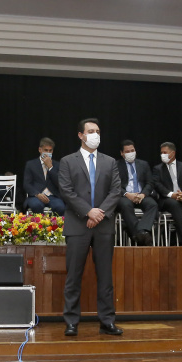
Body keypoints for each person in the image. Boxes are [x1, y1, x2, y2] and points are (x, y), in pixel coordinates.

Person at [58, 118, 122, 336]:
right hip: (78, 225)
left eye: (98, 131)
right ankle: (71, 322)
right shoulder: (67, 161)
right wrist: (88, 211)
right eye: (91, 131)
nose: (95, 134)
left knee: (105, 277)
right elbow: (66, 191)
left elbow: (115, 191)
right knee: (73, 276)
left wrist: (98, 213)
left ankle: (107, 321)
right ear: (80, 135)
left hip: (103, 225)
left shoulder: (110, 161)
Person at [116, 139, 157, 245]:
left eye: (132, 150)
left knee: (152, 204)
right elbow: (114, 185)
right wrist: (127, 194)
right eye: (127, 151)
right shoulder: (116, 165)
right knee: (125, 205)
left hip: (141, 194)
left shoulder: (144, 164)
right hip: (125, 196)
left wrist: (143, 194)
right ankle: (141, 234)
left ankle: (140, 232)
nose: (130, 153)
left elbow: (150, 183)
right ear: (122, 153)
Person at [23, 137, 66, 215]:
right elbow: (27, 184)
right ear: (40, 150)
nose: (48, 153)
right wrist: (37, 194)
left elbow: (60, 183)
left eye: (50, 150)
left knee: (60, 207)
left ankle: (56, 226)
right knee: (36, 205)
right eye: (46, 150)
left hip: (53, 196)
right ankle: (39, 226)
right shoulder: (31, 164)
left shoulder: (58, 165)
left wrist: (50, 167)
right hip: (36, 196)